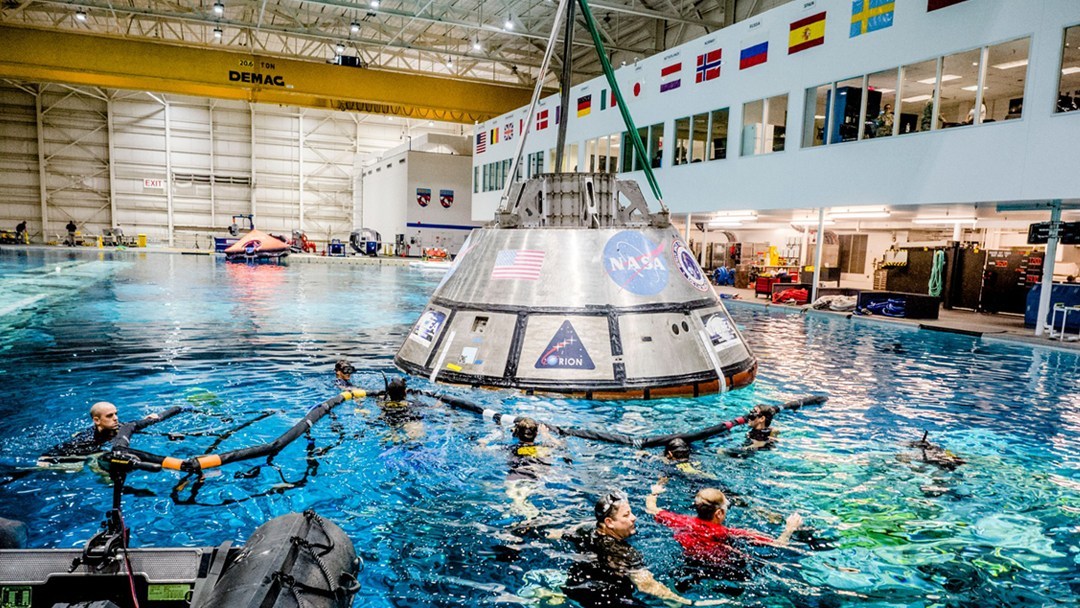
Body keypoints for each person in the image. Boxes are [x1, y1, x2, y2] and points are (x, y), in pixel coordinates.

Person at [563, 492, 718, 607]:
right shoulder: (624, 552)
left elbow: (557, 534)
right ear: (609, 522)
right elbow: (646, 585)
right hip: (603, 600)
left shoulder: (585, 529)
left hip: (572, 587)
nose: (634, 517)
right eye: (627, 515)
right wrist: (688, 602)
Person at [645, 481, 803, 574]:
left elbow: (651, 508)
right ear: (719, 513)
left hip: (687, 561)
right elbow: (778, 544)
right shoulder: (730, 533)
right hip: (723, 568)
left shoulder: (681, 521)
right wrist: (789, 528)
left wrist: (655, 492)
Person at [38, 402, 122, 467]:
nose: (116, 418)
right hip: (83, 452)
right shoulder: (87, 440)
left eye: (116, 414)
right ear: (97, 420)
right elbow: (60, 448)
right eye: (109, 416)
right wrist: (45, 458)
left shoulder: (116, 427)